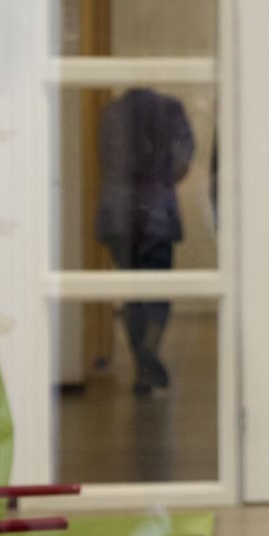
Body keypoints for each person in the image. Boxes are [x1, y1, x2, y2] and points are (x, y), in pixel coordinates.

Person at [95, 87, 194, 394]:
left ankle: (143, 363)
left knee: (132, 293)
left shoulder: (112, 112)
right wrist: (160, 179)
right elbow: (182, 159)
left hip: (118, 212)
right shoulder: (171, 109)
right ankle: (148, 352)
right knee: (158, 290)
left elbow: (104, 159)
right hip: (157, 212)